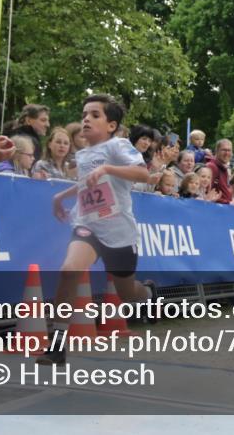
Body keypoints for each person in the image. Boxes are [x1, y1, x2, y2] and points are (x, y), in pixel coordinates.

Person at [38, 94, 157, 365]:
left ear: (111, 125)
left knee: (128, 293)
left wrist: (106, 168)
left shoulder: (118, 145)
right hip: (88, 225)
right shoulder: (83, 154)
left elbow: (142, 174)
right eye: (84, 114)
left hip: (119, 233)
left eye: (94, 115)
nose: (86, 119)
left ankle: (148, 292)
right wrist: (61, 197)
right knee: (69, 271)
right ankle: (57, 345)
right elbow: (86, 184)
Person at [205, 139, 234, 204]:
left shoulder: (224, 168)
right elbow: (206, 194)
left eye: (229, 150)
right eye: (224, 150)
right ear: (217, 151)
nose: (227, 153)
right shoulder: (211, 167)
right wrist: (229, 202)